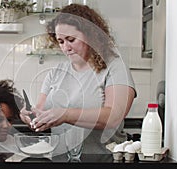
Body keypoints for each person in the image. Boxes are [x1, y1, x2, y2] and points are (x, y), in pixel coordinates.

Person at [20, 4, 136, 155]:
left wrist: (66, 115)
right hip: (60, 158)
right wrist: (32, 117)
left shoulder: (114, 67)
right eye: (61, 41)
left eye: (71, 39)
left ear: (91, 36)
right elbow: (40, 112)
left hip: (103, 159)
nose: (66, 47)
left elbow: (114, 117)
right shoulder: (56, 73)